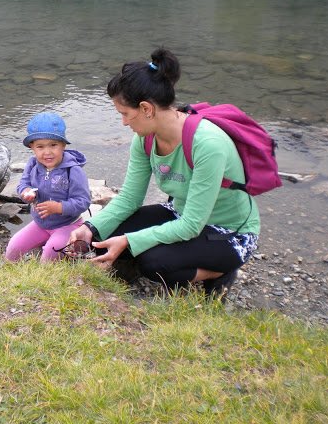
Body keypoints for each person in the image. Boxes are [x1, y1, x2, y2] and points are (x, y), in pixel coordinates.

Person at [69, 48, 260, 297]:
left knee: (154, 263)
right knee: (102, 237)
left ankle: (219, 272)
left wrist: (130, 241)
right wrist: (90, 227)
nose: (123, 122)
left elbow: (191, 225)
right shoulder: (145, 138)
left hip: (228, 231)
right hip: (179, 212)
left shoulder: (207, 144)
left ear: (147, 109)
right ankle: (135, 262)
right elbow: (130, 198)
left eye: (125, 114)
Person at [5, 112, 92, 262]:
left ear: (63, 145)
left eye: (53, 145)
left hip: (68, 224)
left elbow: (83, 201)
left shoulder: (73, 170)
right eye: (40, 146)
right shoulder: (32, 164)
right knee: (13, 248)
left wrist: (59, 207)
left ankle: (49, 268)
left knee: (51, 254)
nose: (47, 152)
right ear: (32, 147)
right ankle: (9, 270)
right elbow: (23, 184)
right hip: (40, 224)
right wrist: (25, 192)